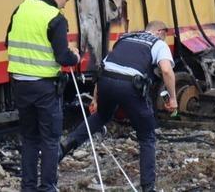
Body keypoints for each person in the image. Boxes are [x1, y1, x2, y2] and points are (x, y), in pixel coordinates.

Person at [59, 20, 178, 192]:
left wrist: (95, 99)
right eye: (165, 36)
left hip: (106, 81)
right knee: (147, 136)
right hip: (130, 85)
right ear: (160, 31)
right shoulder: (158, 43)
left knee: (101, 116)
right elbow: (166, 70)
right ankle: (148, 187)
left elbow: (105, 67)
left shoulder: (125, 39)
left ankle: (65, 146)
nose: (165, 39)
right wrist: (173, 98)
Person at [6, 0, 80, 192]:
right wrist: (74, 56)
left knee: (29, 139)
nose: (64, 5)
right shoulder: (55, 18)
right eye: (65, 1)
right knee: (50, 139)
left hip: (20, 84)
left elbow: (9, 41)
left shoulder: (22, 8)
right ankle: (47, 187)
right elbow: (62, 57)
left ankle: (28, 187)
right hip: (44, 88)